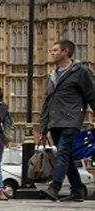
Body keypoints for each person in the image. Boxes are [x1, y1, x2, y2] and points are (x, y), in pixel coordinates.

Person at [39, 39, 95, 202]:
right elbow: (47, 102)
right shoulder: (52, 75)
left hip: (71, 120)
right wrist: (43, 127)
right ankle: (78, 189)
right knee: (67, 156)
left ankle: (54, 187)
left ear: (65, 52)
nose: (52, 53)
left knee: (63, 152)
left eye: (55, 50)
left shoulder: (81, 72)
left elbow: (91, 95)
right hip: (55, 121)